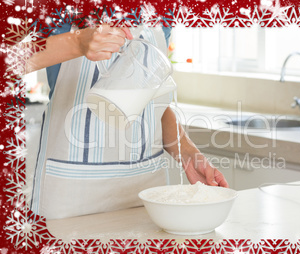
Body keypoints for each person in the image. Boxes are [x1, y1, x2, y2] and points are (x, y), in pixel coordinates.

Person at [27, 22, 228, 220]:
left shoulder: (162, 16)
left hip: (146, 194)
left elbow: (153, 104)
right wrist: (77, 42)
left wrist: (189, 155)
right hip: (71, 196)